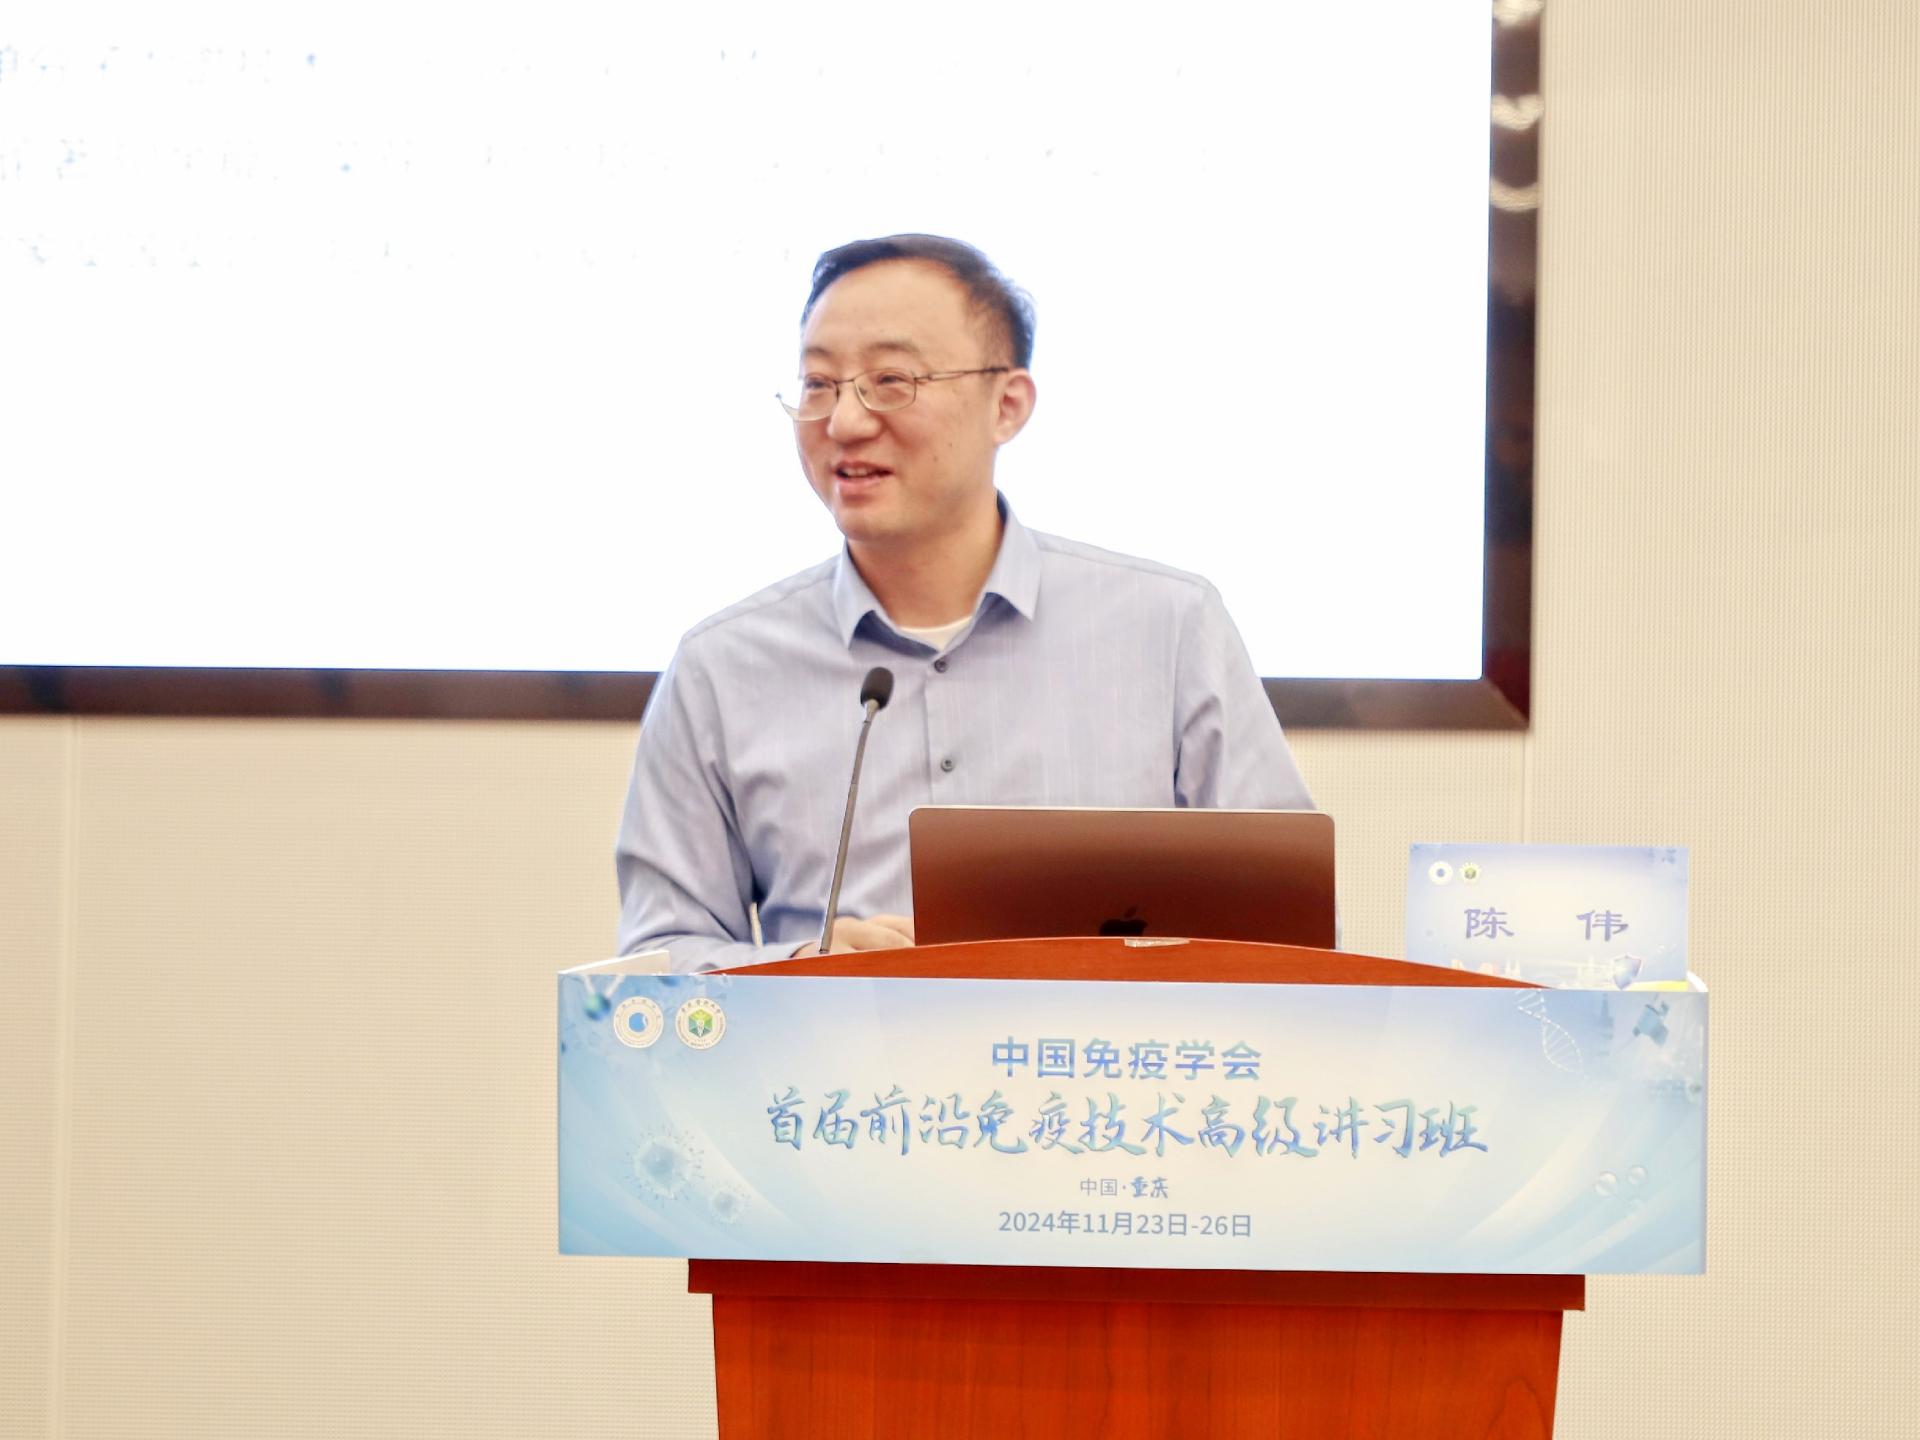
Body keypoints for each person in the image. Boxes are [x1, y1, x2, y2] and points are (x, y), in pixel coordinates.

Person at [616, 235, 1312, 972]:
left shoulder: (1170, 628)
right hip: (832, 1048)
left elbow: (1286, 936)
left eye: (891, 380)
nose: (844, 422)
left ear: (1007, 405)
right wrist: (797, 964)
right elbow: (657, 957)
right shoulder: (721, 667)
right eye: (818, 384)